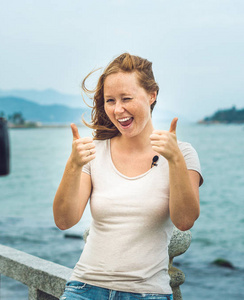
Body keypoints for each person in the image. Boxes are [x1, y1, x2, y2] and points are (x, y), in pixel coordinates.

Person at [53, 53, 203, 300]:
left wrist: (174, 160)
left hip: (147, 293)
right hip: (85, 288)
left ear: (151, 95)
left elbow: (185, 221)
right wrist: (73, 165)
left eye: (126, 98)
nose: (118, 109)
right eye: (110, 100)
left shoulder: (182, 152)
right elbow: (63, 220)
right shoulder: (94, 151)